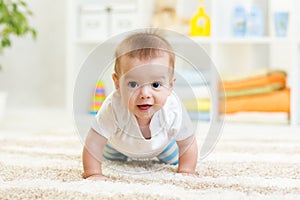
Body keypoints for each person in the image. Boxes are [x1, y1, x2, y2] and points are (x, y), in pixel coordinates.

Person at [82, 31, 199, 180]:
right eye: (133, 84)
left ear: (170, 85)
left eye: (156, 84)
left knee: (175, 157)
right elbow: (94, 143)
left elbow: (187, 142)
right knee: (109, 156)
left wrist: (187, 170)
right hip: (119, 145)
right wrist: (93, 173)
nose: (145, 94)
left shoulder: (173, 108)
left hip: (161, 145)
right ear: (117, 83)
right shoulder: (113, 106)